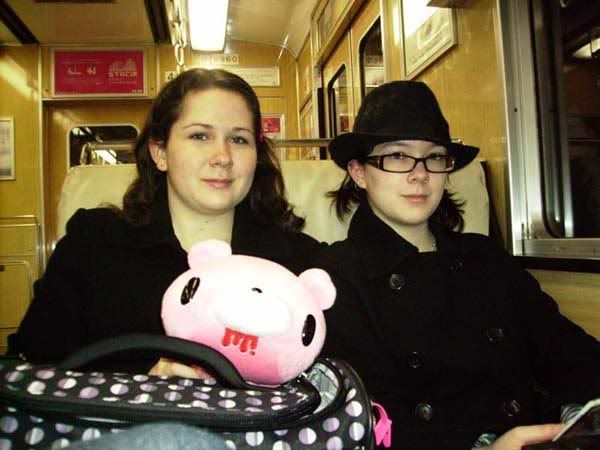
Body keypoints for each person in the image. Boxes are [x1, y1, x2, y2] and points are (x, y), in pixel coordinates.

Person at [316, 81, 600, 450]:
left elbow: (566, 351)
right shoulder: (334, 279)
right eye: (398, 156)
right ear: (358, 172)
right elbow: (360, 427)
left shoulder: (486, 258)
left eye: (434, 157)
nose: (420, 174)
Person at [8, 68, 322, 374]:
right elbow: (32, 367)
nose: (223, 157)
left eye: (239, 140)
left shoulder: (298, 262)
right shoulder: (93, 244)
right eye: (200, 136)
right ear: (160, 152)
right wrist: (144, 381)